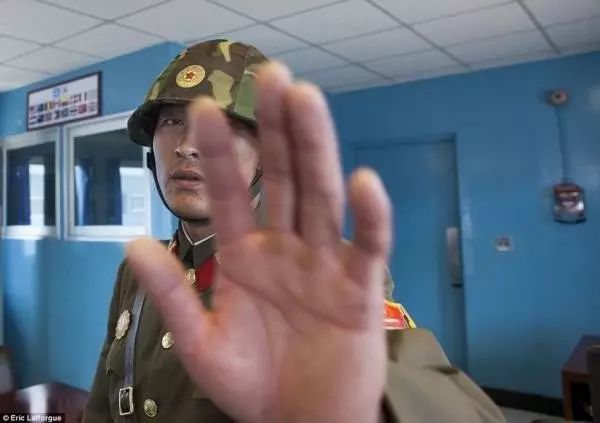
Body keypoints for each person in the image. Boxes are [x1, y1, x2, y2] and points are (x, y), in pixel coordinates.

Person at [83, 39, 505, 423]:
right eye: (173, 121)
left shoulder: (321, 274)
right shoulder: (136, 274)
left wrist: (367, 407)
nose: (188, 145)